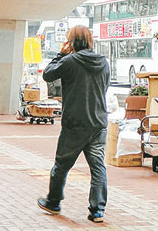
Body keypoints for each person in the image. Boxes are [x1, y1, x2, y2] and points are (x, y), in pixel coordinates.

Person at [37, 25, 110, 223]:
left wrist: (60, 54)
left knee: (62, 165)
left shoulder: (69, 61)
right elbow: (105, 86)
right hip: (99, 123)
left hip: (75, 124)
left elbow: (48, 74)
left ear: (71, 42)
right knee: (98, 167)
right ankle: (97, 210)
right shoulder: (103, 62)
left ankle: (53, 202)